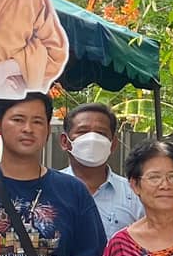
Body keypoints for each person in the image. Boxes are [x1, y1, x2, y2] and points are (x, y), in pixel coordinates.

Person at [0, 93, 106, 256]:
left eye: (37, 122)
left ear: (48, 130)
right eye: (18, 120)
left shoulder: (72, 189)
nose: (28, 129)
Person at [60, 101, 143, 237]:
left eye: (101, 133)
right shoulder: (47, 191)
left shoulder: (135, 196)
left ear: (113, 144)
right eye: (82, 132)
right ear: (65, 141)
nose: (92, 139)